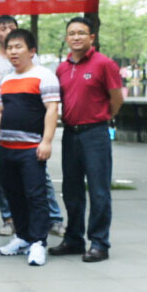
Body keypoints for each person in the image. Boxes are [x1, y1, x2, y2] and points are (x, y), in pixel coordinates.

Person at [52, 17, 124, 263]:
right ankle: (74, 239)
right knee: (71, 190)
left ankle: (99, 243)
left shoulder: (104, 64)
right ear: (66, 38)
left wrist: (103, 117)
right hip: (70, 134)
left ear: (91, 37)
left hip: (95, 134)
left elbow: (116, 97)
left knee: (98, 190)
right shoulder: (62, 68)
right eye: (71, 33)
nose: (76, 37)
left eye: (81, 33)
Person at [0, 15, 63, 238]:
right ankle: (22, 237)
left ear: (32, 51)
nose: (13, 52)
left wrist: (46, 142)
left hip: (31, 148)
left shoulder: (44, 75)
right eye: (10, 48)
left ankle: (38, 241)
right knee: (14, 195)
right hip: (7, 148)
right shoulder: (7, 79)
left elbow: (52, 109)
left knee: (35, 195)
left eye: (18, 47)